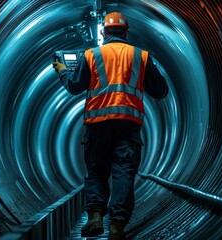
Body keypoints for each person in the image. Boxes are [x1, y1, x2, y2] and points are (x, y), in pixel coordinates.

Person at [52, 12, 168, 239]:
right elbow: (161, 90)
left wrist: (63, 71)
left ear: (104, 33)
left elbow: (75, 87)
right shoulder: (141, 56)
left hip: (97, 125)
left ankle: (95, 217)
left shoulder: (91, 55)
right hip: (128, 125)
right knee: (124, 172)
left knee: (97, 171)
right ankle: (116, 226)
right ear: (126, 32)